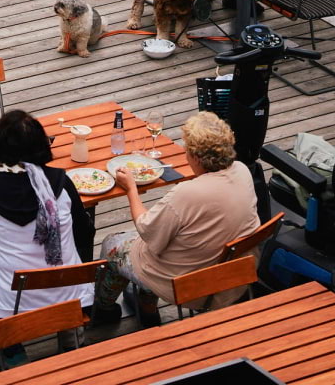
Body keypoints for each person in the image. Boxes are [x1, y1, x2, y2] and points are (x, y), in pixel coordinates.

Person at [0, 109, 96, 355]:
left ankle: (10, 351)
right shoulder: (61, 181)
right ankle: (72, 338)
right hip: (66, 298)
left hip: (8, 304)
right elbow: (84, 233)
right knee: (66, 264)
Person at [100, 111, 256, 318]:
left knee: (113, 244)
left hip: (185, 282)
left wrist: (131, 190)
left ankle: (105, 311)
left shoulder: (187, 194)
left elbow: (146, 228)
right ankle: (146, 308)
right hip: (229, 275)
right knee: (159, 242)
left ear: (196, 157)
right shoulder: (242, 170)